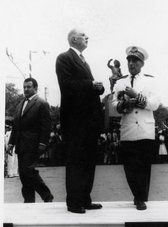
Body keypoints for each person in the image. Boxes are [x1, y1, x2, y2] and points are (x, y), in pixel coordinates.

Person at [56, 28, 105, 213]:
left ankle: (85, 198)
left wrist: (98, 88)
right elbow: (66, 85)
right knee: (76, 161)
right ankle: (74, 202)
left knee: (88, 162)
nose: (87, 37)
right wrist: (91, 84)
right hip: (74, 122)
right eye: (84, 35)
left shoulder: (83, 60)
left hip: (88, 122)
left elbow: (83, 87)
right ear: (74, 39)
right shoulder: (64, 58)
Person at [112, 46, 160, 210]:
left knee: (144, 166)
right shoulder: (120, 82)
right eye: (129, 60)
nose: (131, 64)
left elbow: (155, 104)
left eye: (135, 61)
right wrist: (125, 104)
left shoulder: (151, 80)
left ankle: (141, 198)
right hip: (128, 130)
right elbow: (113, 106)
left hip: (145, 130)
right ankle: (137, 194)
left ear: (142, 63)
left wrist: (136, 96)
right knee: (130, 167)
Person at [7, 78, 53, 203]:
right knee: (23, 174)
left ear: (35, 88)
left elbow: (46, 125)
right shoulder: (20, 104)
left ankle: (47, 195)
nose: (26, 89)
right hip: (21, 145)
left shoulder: (42, 103)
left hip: (34, 144)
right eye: (24, 87)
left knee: (28, 171)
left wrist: (43, 143)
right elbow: (16, 126)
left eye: (29, 87)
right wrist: (11, 143)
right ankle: (29, 201)